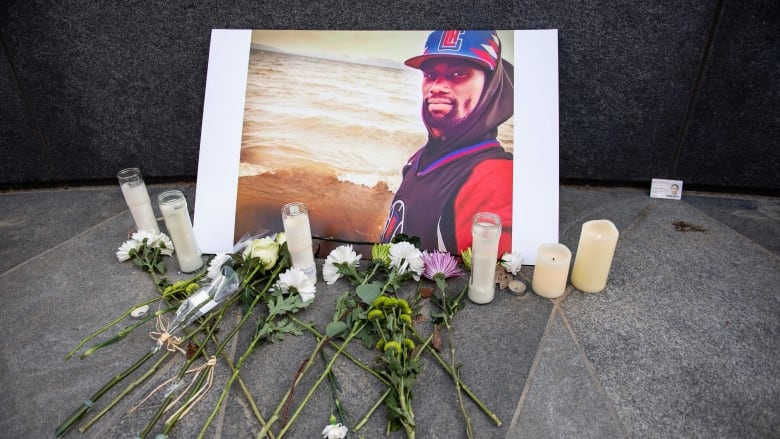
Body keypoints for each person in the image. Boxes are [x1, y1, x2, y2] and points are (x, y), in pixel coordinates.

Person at [381, 30, 514, 256]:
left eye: (458, 74)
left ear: (490, 86)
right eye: (430, 75)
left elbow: (484, 279)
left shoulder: (495, 178)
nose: (437, 87)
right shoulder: (422, 156)